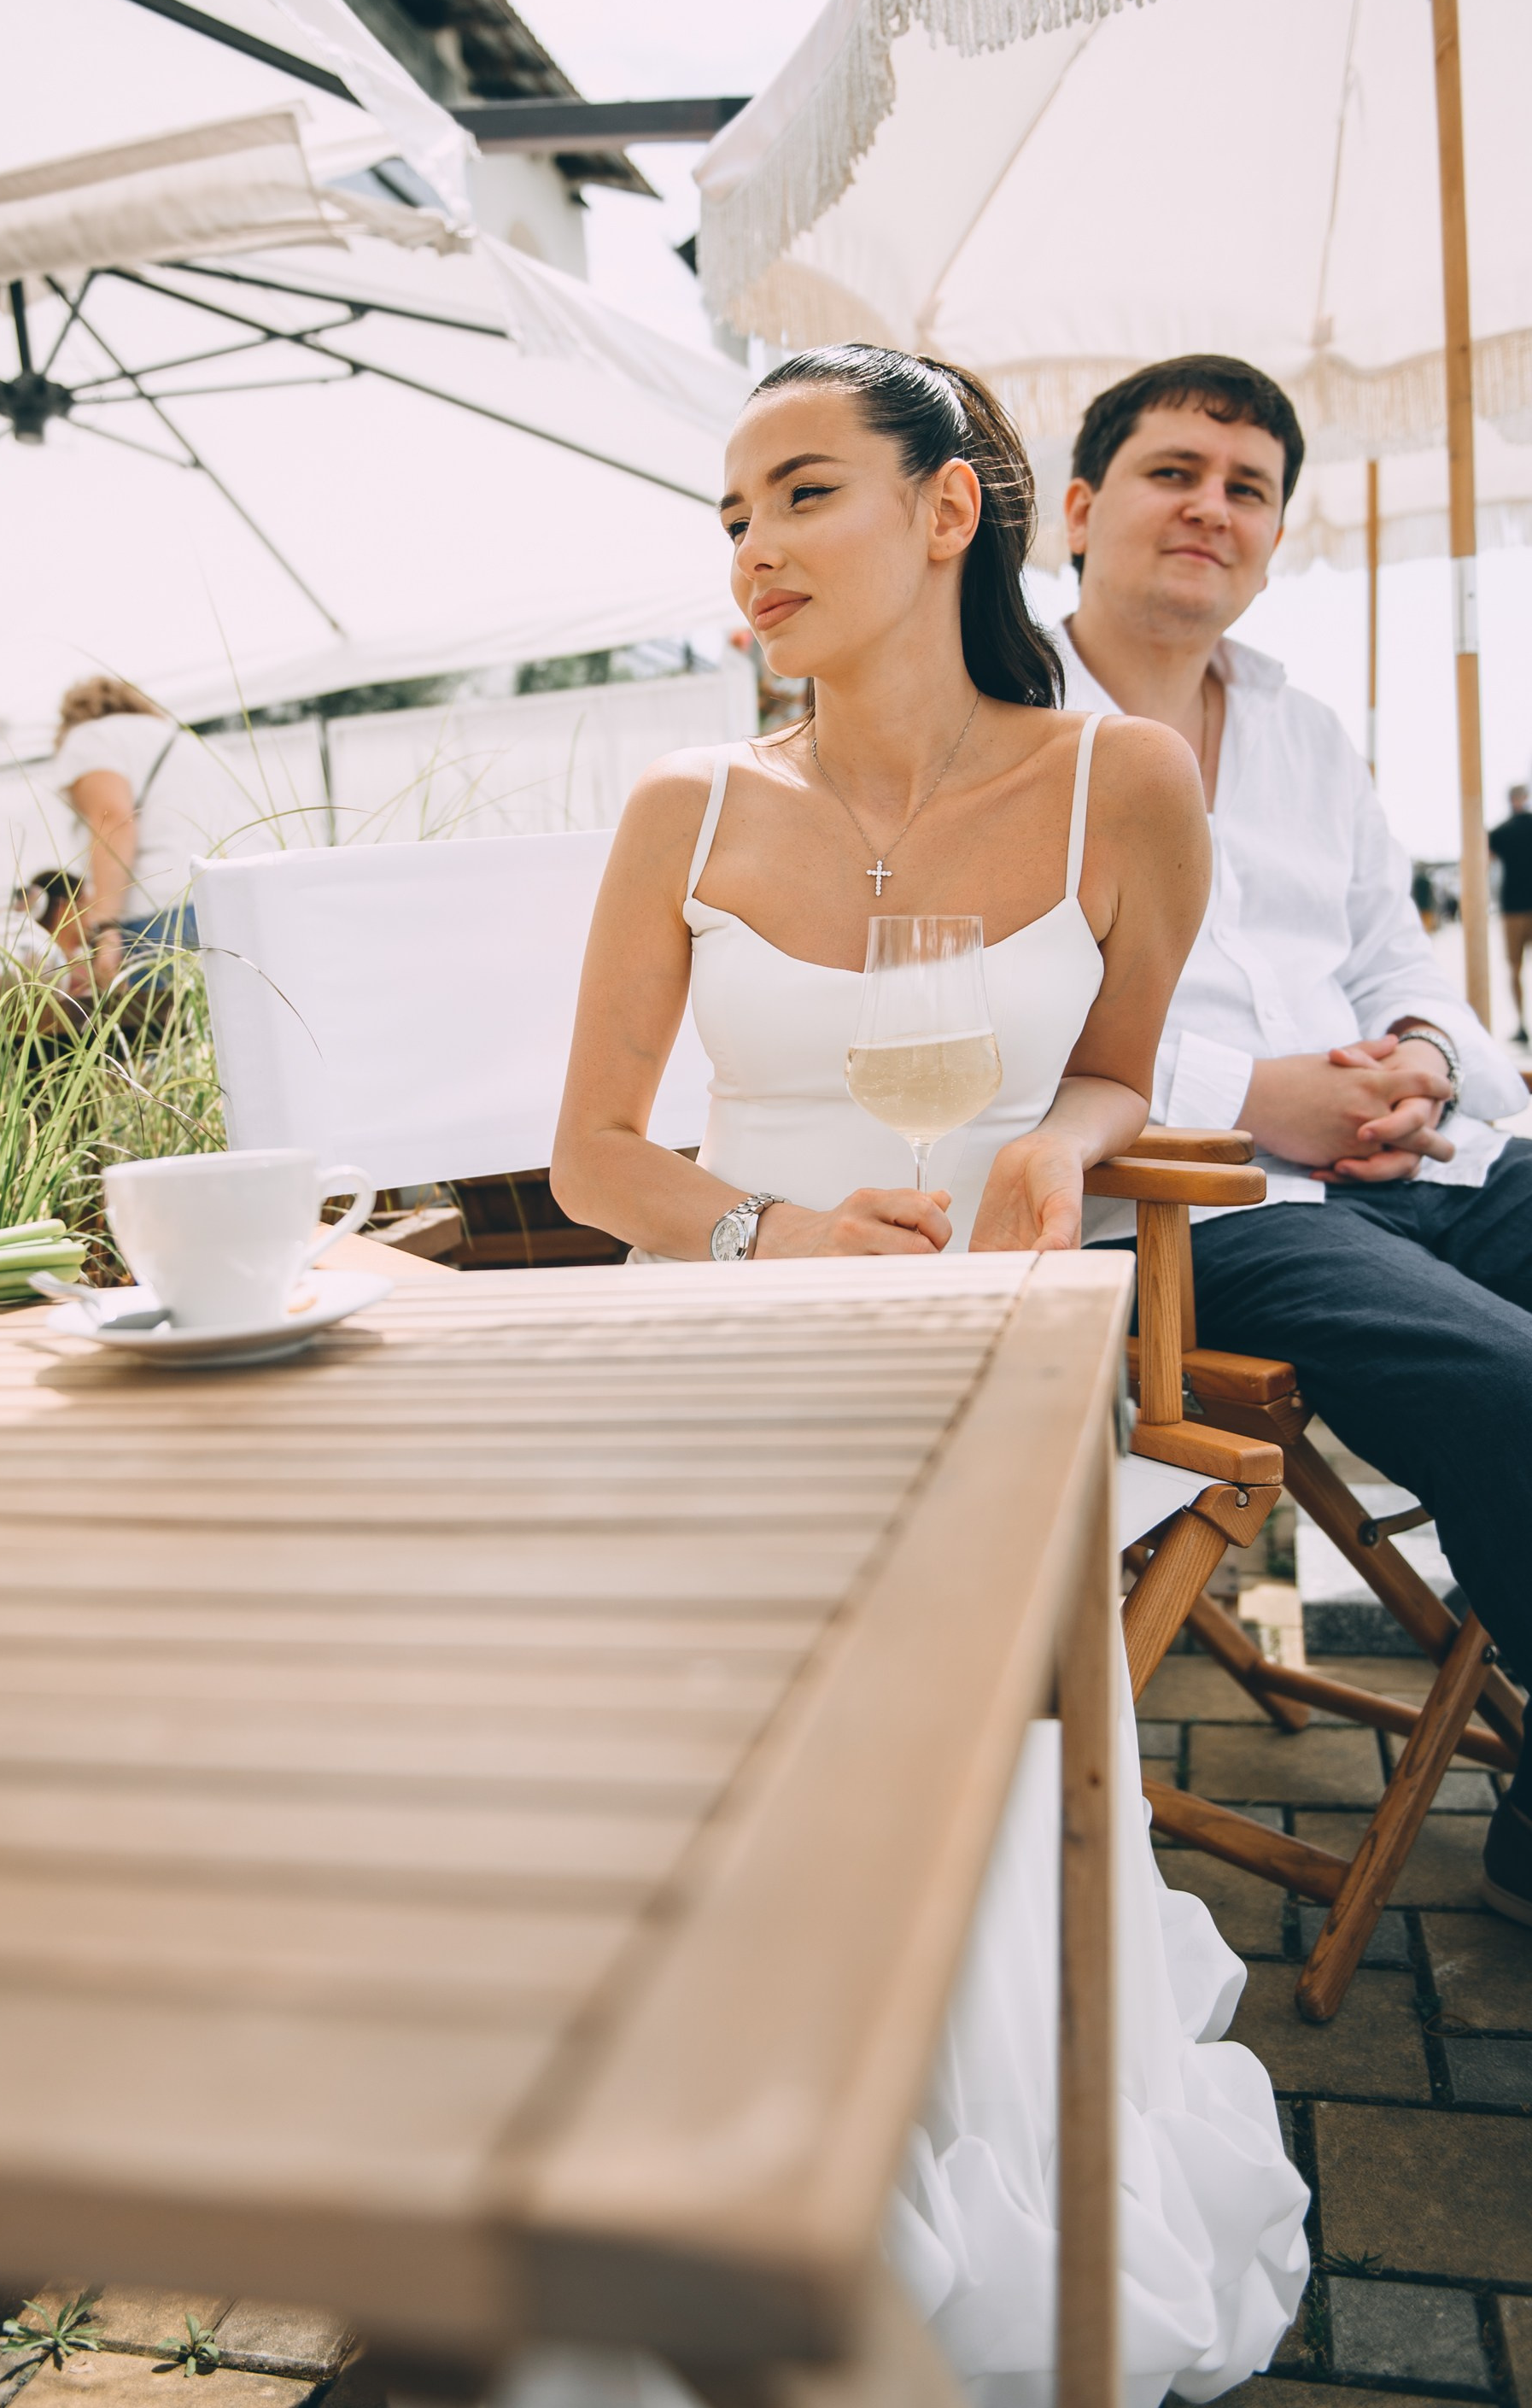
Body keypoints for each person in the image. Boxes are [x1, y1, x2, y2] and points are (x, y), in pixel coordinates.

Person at [554, 344, 1307, 2404]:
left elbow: (1123, 1070)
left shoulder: (1121, 783)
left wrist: (1061, 1149)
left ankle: (942, 2187)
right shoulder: (687, 811)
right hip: (719, 1340)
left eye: (802, 494)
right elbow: (593, 1159)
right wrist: (767, 1231)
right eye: (731, 516)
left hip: (988, 1341)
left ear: (950, 509)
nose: (754, 552)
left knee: (929, 1702)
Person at [1056, 353, 1532, 1927]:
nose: (1212, 506)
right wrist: (1260, 1095)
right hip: (1203, 1212)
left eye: (1246, 486)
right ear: (1078, 504)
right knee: (1513, 1385)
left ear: (1272, 537)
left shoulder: (1305, 729)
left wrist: (1417, 1059)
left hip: (1411, 1159)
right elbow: (990, 1025)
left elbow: (1403, 961)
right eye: (1173, 470)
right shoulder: (1000, 733)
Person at [52, 677, 197, 989]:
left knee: (162, 1034)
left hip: (166, 916)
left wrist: (103, 926)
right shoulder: (186, 742)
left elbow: (113, 820)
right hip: (236, 904)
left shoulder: (89, 738)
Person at [1489, 785, 1532, 1044]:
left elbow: (1487, 863)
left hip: (1513, 906)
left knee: (1514, 968)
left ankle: (1521, 1024)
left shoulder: (1500, 832)